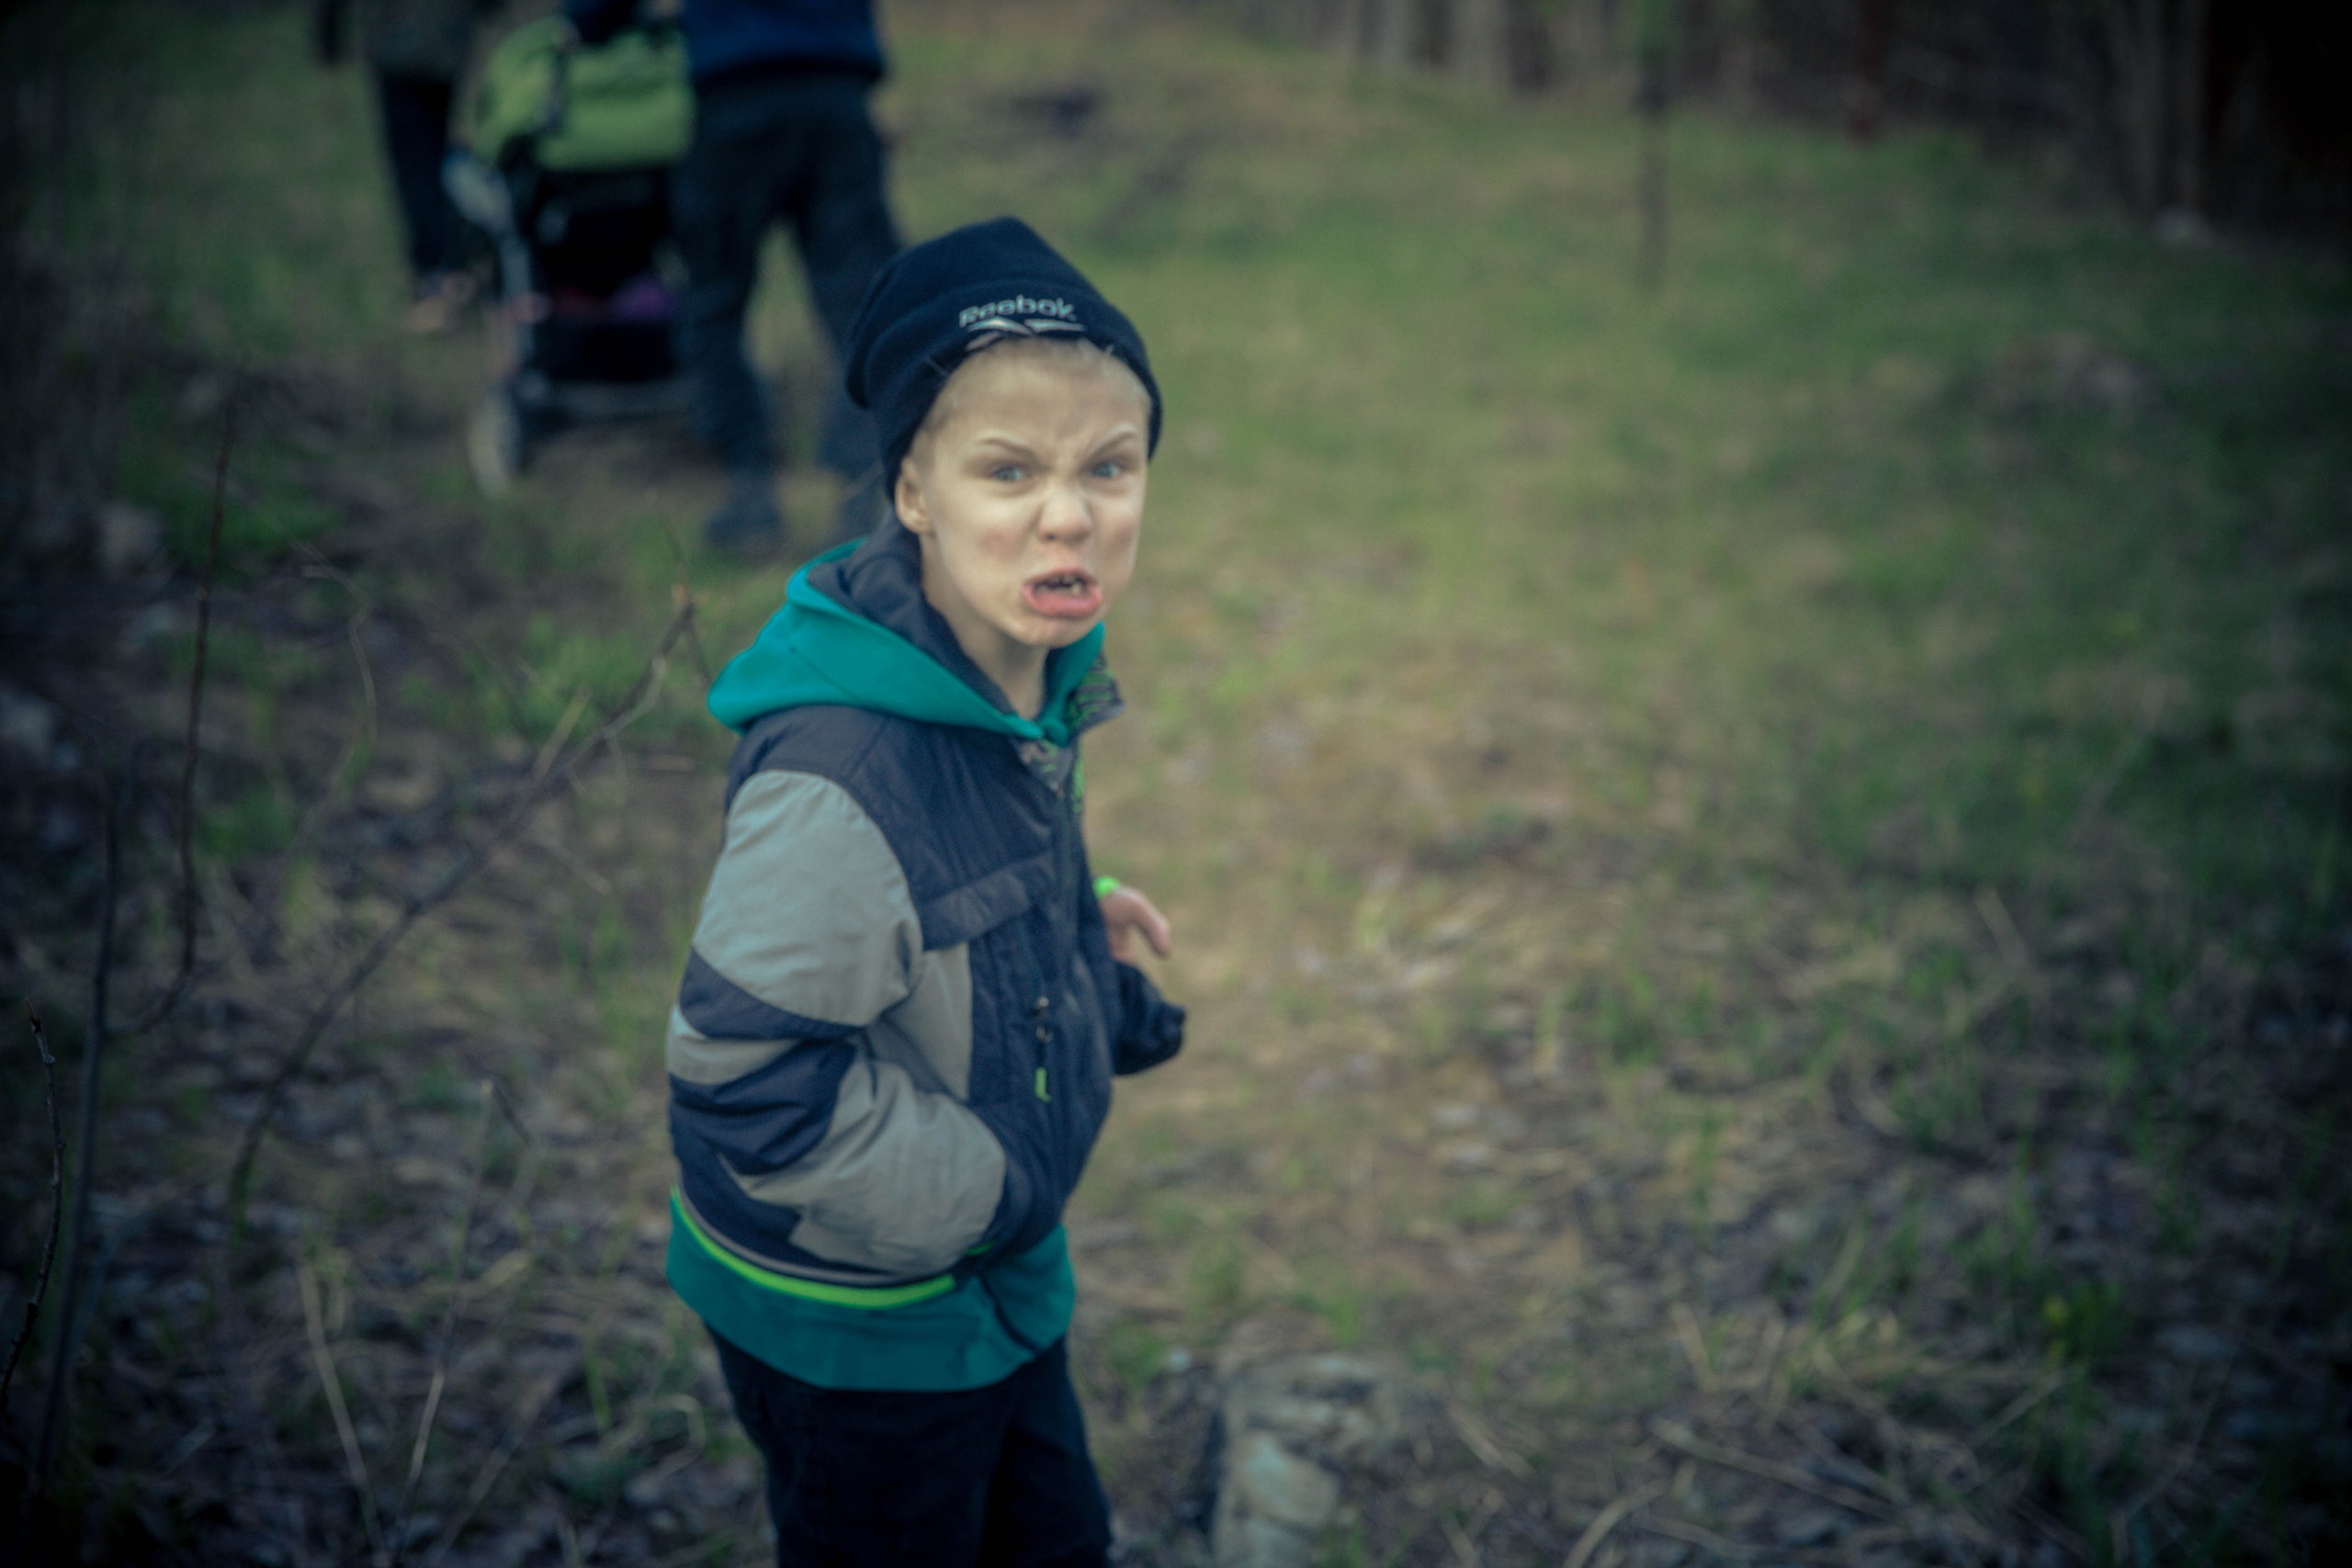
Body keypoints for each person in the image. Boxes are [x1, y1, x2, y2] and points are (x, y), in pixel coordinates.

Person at [668, 217, 1184, 1567]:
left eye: (1108, 466)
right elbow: (744, 1082)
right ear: (911, 490)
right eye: (1008, 469)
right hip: (862, 1325)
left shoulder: (1019, 656)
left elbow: (957, 878)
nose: (1068, 512)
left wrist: (1076, 936)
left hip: (995, 1287)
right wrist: (991, 1187)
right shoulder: (843, 773)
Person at [562, 0, 903, 552]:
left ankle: (751, 498)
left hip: (732, 99)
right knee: (862, 309)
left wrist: (589, 22)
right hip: (836, 90)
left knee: (714, 306)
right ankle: (860, 501)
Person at [315, 0, 495, 333]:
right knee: (435, 153)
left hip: (395, 37)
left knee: (415, 163)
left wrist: (327, 32)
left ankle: (437, 277)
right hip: (448, 31)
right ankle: (452, 266)